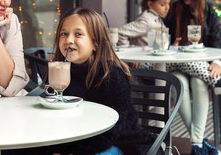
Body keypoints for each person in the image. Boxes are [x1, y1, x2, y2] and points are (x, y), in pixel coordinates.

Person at [44, 8, 163, 155]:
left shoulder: (112, 76)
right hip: (73, 141)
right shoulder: (58, 72)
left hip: (118, 143)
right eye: (64, 34)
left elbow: (113, 129)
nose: (68, 40)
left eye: (78, 34)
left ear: (95, 43)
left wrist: (72, 151)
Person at [118, 0, 221, 96]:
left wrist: (170, 46)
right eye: (163, 4)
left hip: (155, 63)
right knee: (183, 60)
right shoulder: (147, 20)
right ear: (150, 4)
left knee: (181, 56)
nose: (167, 7)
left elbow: (153, 46)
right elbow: (120, 33)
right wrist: (131, 57)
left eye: (168, 4)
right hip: (146, 66)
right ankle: (217, 81)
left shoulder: (156, 19)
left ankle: (218, 80)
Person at [165, 0, 221, 155]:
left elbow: (216, 46)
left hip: (199, 69)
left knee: (198, 82)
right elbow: (161, 40)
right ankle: (199, 144)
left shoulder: (210, 13)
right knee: (180, 82)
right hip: (175, 65)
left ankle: (196, 144)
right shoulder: (174, 9)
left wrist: (217, 63)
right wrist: (171, 46)